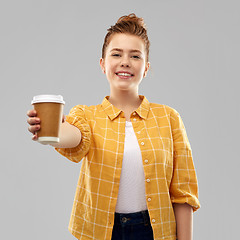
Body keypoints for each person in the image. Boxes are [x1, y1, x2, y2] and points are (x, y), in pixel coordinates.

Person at [27, 13, 200, 240]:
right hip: (101, 231)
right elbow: (75, 136)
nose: (125, 61)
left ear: (146, 67)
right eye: (116, 54)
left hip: (155, 232)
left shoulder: (169, 118)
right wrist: (53, 130)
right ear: (103, 64)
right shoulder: (86, 115)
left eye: (135, 56)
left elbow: (183, 194)